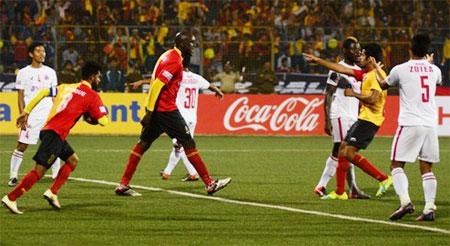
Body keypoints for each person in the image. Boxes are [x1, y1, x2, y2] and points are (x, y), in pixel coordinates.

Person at [115, 31, 231, 197]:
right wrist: (148, 112)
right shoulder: (175, 61)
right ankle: (209, 183)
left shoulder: (167, 55)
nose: (193, 47)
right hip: (167, 111)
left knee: (142, 144)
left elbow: (156, 82)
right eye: (190, 43)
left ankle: (123, 184)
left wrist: (150, 111)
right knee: (188, 142)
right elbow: (156, 86)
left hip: (158, 110)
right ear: (182, 44)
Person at [1, 61, 109, 214]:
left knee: (73, 160)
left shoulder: (66, 87)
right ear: (92, 77)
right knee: (39, 170)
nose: (99, 80)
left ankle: (52, 192)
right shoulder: (92, 96)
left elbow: (43, 93)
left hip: (48, 130)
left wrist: (26, 111)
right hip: (56, 135)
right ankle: (11, 198)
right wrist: (102, 112)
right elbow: (104, 122)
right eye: (98, 77)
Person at [304, 43, 393, 200]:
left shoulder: (375, 76)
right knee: (343, 149)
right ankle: (340, 192)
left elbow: (373, 99)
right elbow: (341, 69)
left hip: (370, 120)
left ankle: (383, 178)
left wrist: (354, 94)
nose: (360, 56)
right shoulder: (364, 73)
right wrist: (318, 60)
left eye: (363, 54)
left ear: (370, 58)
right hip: (363, 118)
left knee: (349, 153)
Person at [375, 34, 441, 221]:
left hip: (410, 123)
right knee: (427, 167)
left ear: (410, 50)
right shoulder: (435, 70)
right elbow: (435, 82)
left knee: (396, 164)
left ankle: (405, 202)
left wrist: (375, 68)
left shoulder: (400, 69)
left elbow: (383, 85)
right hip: (430, 124)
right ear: (427, 51)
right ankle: (429, 208)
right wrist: (428, 63)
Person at [131, 56, 224, 181]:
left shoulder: (179, 75)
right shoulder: (196, 78)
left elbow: (158, 81)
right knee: (184, 146)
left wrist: (142, 82)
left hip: (179, 117)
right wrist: (218, 91)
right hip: (192, 118)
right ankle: (171, 172)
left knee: (183, 147)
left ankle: (186, 173)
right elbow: (210, 85)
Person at [314, 37, 370, 199]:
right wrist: (326, 120)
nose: (357, 52)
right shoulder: (338, 69)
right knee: (340, 150)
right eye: (353, 49)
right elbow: (329, 94)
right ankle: (322, 185)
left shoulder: (357, 70)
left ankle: (352, 189)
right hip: (339, 115)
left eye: (358, 49)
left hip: (352, 116)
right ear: (345, 51)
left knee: (347, 151)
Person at [8, 42, 61, 187]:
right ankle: (13, 175)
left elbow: (54, 95)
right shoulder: (23, 72)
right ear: (31, 54)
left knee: (53, 145)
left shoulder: (50, 72)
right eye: (38, 51)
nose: (42, 53)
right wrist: (22, 114)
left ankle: (55, 175)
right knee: (22, 145)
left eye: (43, 51)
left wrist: (56, 113)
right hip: (31, 116)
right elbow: (20, 96)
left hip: (48, 115)